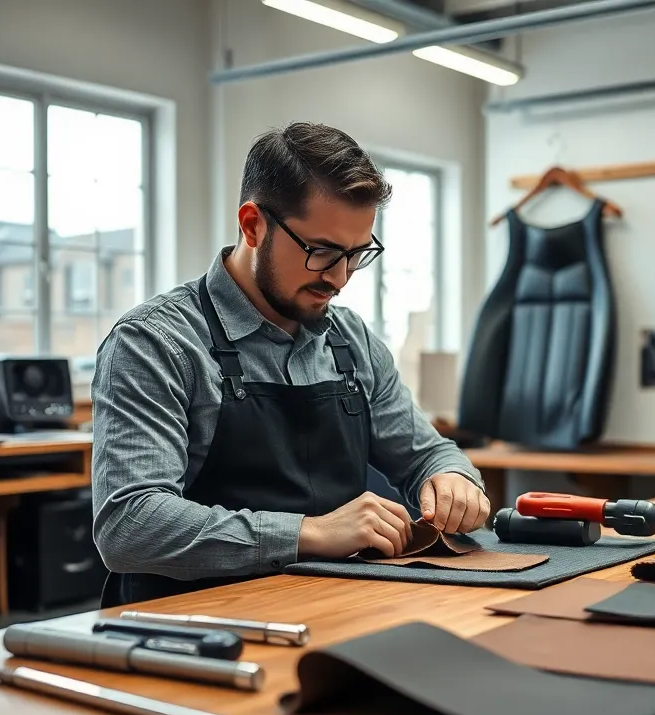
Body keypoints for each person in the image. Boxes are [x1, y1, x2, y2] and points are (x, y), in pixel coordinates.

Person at [90, 122, 489, 606]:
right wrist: (309, 534)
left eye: (356, 254)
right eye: (321, 252)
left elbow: (427, 454)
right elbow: (129, 525)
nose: (340, 278)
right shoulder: (155, 342)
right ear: (252, 224)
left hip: (332, 607)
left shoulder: (352, 340)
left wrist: (452, 480)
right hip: (189, 623)